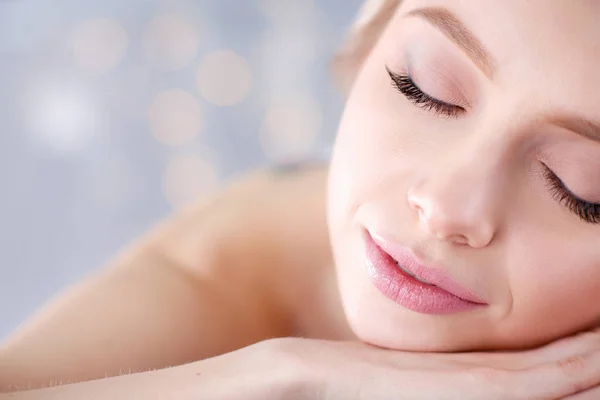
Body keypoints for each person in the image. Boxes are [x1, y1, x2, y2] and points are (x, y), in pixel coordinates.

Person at [3, 0, 600, 398]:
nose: (443, 205)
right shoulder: (252, 254)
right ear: (369, 46)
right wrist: (279, 377)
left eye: (576, 187)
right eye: (426, 90)